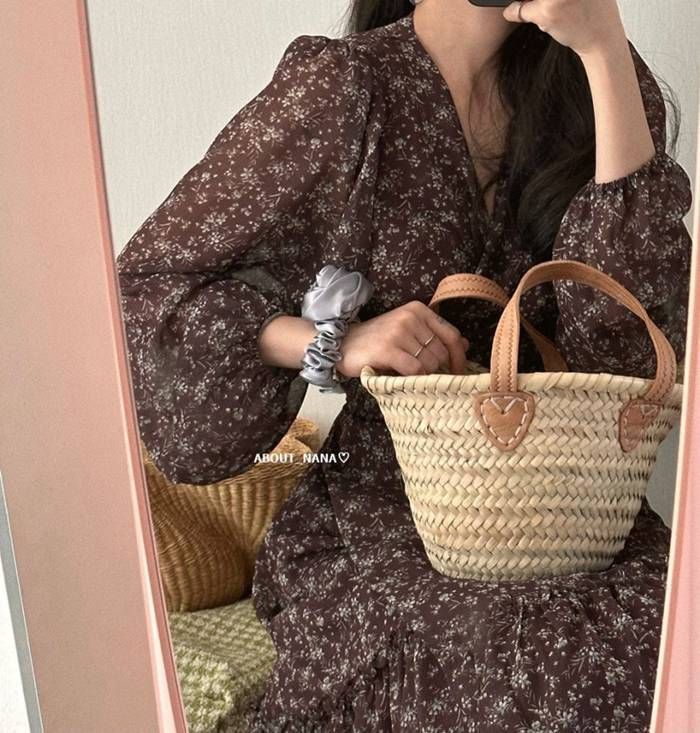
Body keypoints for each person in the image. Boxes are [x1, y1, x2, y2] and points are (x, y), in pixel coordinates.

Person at [116, 0, 693, 730]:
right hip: (383, 507)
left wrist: (604, 48)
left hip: (565, 505)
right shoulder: (345, 90)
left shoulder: (599, 85)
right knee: (499, 664)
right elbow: (147, 293)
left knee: (659, 644)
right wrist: (334, 342)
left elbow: (630, 358)